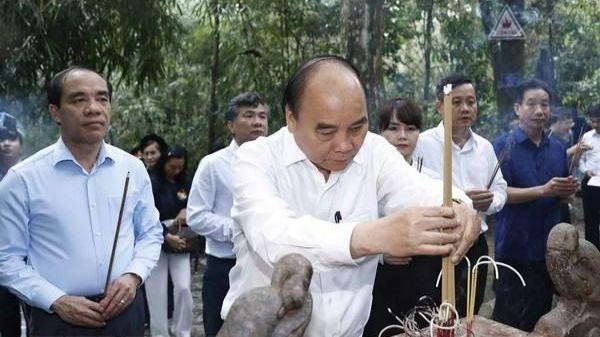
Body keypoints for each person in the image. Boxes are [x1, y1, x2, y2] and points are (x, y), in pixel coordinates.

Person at [220, 55, 480, 337]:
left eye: (357, 127)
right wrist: (371, 237)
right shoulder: (255, 159)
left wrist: (459, 205)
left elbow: (416, 188)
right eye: (326, 131)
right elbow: (274, 236)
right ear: (291, 118)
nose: (345, 145)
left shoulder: (374, 151)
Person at [0, 66, 164, 336]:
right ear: (55, 112)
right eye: (79, 100)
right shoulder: (22, 180)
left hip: (125, 312)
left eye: (102, 99)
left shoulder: (131, 169)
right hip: (58, 321)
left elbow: (150, 233)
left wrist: (133, 276)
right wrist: (57, 301)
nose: (94, 108)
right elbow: (7, 258)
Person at [413, 74, 507, 317]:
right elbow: (413, 188)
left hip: (474, 243)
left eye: (471, 101)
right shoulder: (422, 143)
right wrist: (462, 199)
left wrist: (489, 202)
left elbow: (500, 189)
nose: (465, 108)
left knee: (469, 313)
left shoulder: (485, 147)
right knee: (432, 314)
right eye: (456, 102)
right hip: (435, 245)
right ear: (440, 106)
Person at [491, 79, 579, 332]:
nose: (539, 111)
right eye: (531, 104)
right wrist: (544, 190)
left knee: (541, 313)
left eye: (545, 104)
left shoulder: (558, 148)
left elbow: (560, 195)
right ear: (518, 108)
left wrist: (566, 191)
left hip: (549, 248)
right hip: (514, 246)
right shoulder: (502, 146)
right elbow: (500, 194)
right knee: (508, 317)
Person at [187, 92, 269, 337]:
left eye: (262, 116)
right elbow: (196, 215)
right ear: (231, 125)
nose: (257, 122)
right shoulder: (213, 164)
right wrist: (239, 230)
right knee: (219, 330)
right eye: (249, 115)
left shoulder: (278, 164)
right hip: (224, 267)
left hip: (266, 268)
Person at [364, 97, 443, 336]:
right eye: (393, 128)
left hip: (424, 274)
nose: (402, 136)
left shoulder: (433, 180)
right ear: (379, 132)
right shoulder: (365, 180)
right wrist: (380, 254)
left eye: (410, 128)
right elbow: (349, 230)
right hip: (380, 278)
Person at [145, 145, 194, 337]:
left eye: (180, 167)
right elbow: (147, 215)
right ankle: (159, 333)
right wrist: (165, 235)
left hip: (180, 238)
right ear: (164, 162)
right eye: (172, 166)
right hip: (156, 237)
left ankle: (182, 331)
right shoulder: (153, 183)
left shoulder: (185, 183)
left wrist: (187, 210)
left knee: (183, 287)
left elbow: (196, 204)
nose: (176, 171)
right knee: (156, 292)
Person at [0, 111, 24, 337]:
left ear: (21, 143)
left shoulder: (34, 173)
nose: (6, 143)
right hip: (3, 257)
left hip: (34, 256)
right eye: (1, 138)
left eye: (12, 138)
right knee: (7, 319)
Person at [580, 104, 600, 250]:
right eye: (593, 121)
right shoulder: (586, 137)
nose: (595, 124)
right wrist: (586, 170)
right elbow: (581, 159)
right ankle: (592, 250)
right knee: (591, 218)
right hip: (591, 182)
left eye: (598, 120)